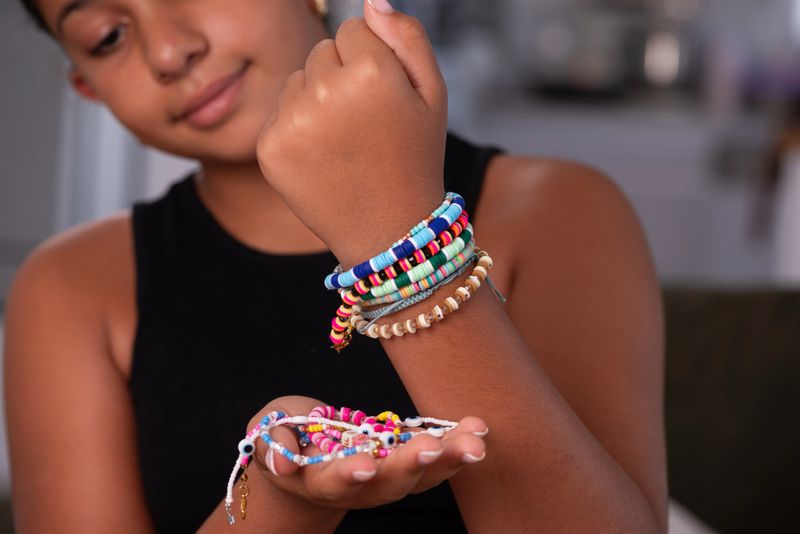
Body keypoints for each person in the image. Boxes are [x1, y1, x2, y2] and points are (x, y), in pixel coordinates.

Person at [4, 0, 667, 532]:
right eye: (108, 35)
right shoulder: (70, 288)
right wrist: (283, 499)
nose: (170, 52)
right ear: (87, 85)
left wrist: (394, 229)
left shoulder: (561, 209)